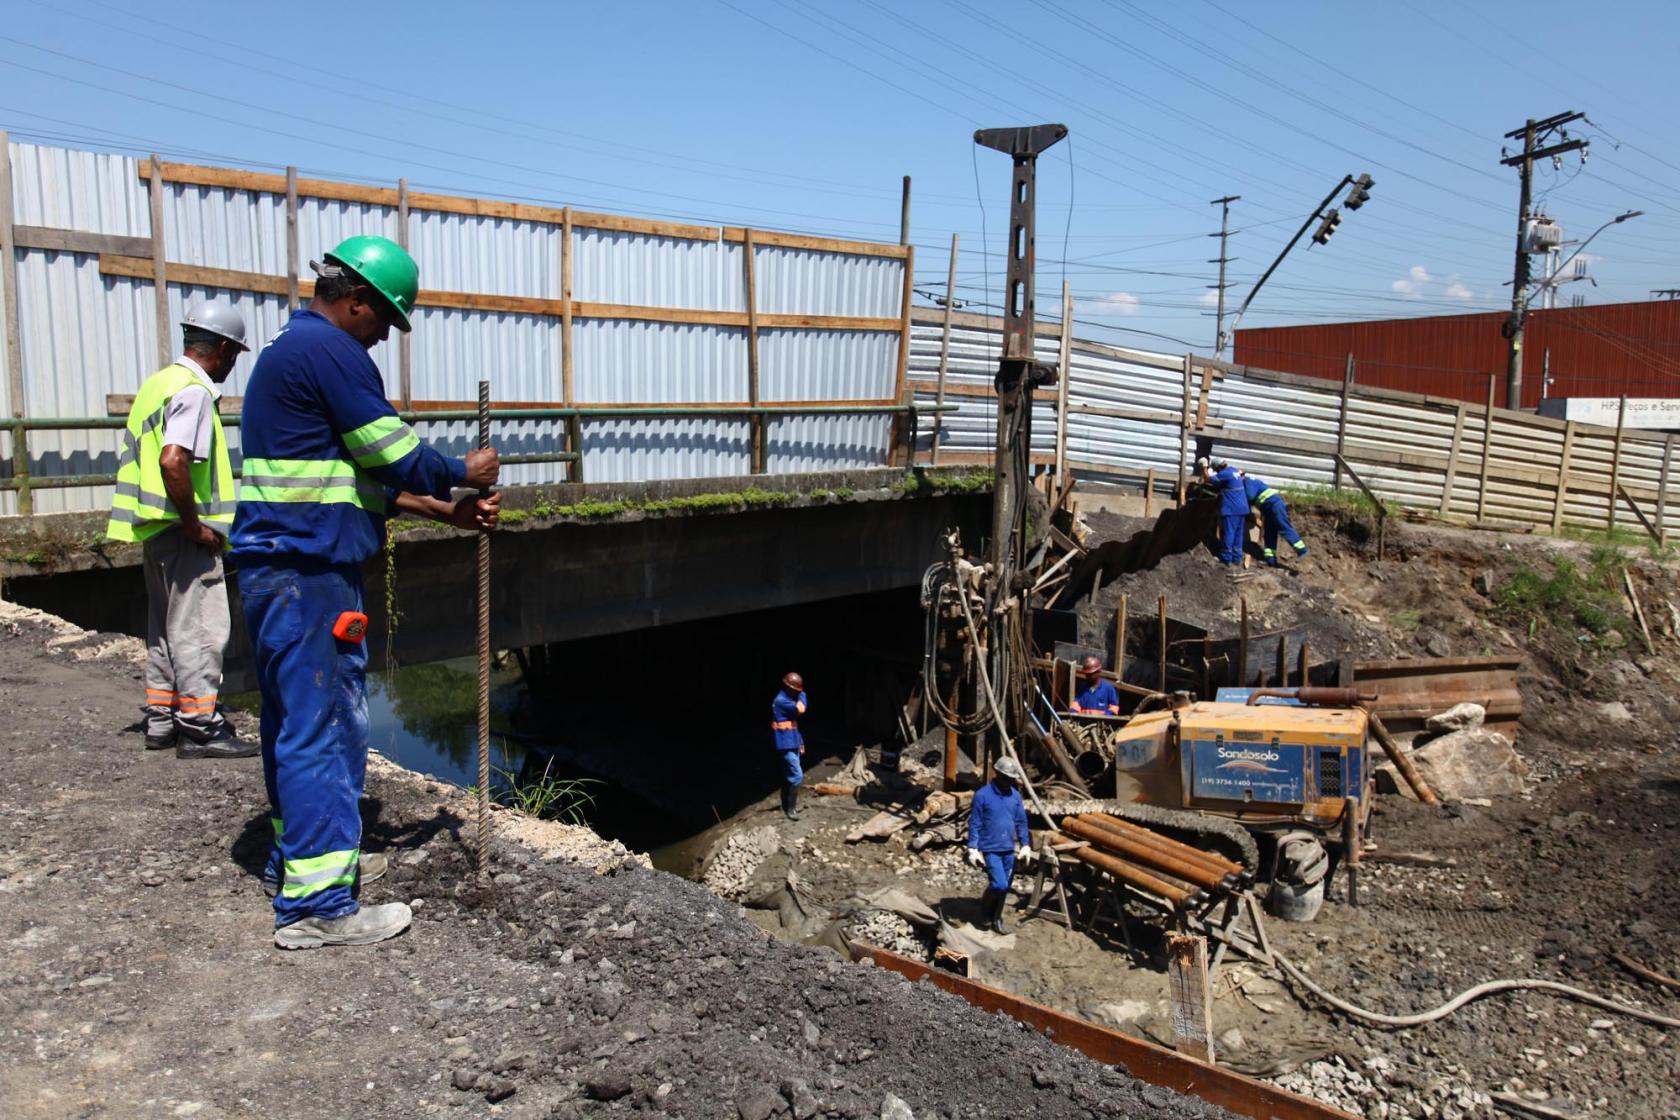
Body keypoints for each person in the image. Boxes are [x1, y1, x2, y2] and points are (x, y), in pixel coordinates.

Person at [230, 235, 502, 950]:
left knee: (298, 722)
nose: (384, 336)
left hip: (287, 567)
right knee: (324, 728)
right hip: (308, 572)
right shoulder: (331, 353)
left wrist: (446, 512)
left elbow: (356, 479)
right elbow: (394, 456)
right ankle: (319, 907)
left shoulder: (293, 352)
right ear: (356, 303)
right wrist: (461, 472)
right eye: (385, 321)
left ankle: (307, 866)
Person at [107, 299, 258, 760]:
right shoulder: (193, 390)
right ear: (221, 348)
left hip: (156, 531)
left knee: (165, 628)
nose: (233, 365)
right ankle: (199, 727)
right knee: (199, 628)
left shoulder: (158, 384)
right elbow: (173, 460)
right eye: (233, 355)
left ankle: (162, 720)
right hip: (182, 533)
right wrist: (195, 526)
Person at [966, 756, 1032, 934]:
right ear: (998, 774)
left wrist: (1025, 844)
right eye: (1006, 778)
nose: (1008, 782)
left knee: (1004, 887)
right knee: (1000, 885)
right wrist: (973, 847)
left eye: (1011, 779)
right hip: (991, 848)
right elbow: (975, 823)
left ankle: (996, 919)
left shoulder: (1015, 796)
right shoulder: (983, 796)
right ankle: (985, 906)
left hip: (1008, 849)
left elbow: (1021, 822)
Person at [1242, 472, 1308, 567]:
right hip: (1268, 509)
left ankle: (1302, 550)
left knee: (1284, 527)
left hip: (1274, 506)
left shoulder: (1248, 481)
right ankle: (1270, 559)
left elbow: (1250, 496)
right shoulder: (1248, 481)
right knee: (1269, 532)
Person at [771, 672, 808, 821]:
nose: (797, 692)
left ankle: (787, 802)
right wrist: (803, 694)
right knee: (797, 776)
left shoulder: (787, 698)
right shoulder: (781, 701)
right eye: (796, 690)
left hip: (792, 741)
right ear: (788, 687)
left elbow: (793, 724)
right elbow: (801, 709)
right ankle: (791, 808)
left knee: (790, 774)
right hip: (785, 744)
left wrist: (800, 742)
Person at [1199, 456, 1247, 565]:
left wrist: (1204, 466)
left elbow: (1207, 479)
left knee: (1229, 533)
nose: (1216, 471)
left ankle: (1226, 557)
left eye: (1216, 469)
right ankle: (1237, 558)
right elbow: (1242, 475)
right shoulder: (1234, 470)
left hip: (1232, 509)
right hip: (1243, 508)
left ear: (1218, 468)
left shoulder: (1224, 474)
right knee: (1238, 534)